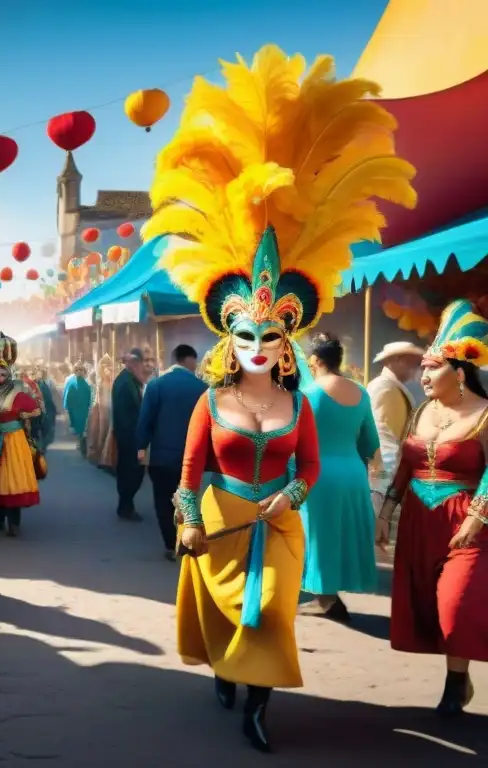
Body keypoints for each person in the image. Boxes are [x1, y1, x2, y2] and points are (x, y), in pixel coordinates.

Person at [150, 44, 414, 753]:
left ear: (288, 339)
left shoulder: (299, 407)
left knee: (273, 618)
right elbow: (188, 472)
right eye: (244, 335)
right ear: (226, 340)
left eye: (269, 335)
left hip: (281, 523)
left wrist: (290, 499)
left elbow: (307, 467)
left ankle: (258, 707)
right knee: (228, 621)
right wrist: (187, 518)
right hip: (222, 520)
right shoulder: (209, 402)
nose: (257, 346)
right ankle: (229, 677)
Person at [376, 299, 488, 717]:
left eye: (432, 367)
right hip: (420, 523)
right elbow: (405, 466)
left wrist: (477, 517)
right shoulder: (422, 411)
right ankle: (457, 680)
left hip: (467, 523)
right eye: (421, 367)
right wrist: (386, 515)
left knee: (456, 609)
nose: (422, 375)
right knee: (429, 608)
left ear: (459, 372)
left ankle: (455, 683)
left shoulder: (485, 415)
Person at [297, 334, 380, 620]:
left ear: (316, 360)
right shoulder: (361, 392)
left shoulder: (307, 394)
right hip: (353, 472)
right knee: (343, 533)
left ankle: (325, 599)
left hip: (318, 473)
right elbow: (370, 440)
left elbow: (295, 440)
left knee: (319, 535)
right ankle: (330, 596)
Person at [136, 344, 207, 558]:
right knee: (189, 497)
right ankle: (187, 537)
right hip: (192, 457)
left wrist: (141, 447)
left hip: (161, 456)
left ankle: (170, 543)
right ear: (190, 360)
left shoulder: (156, 385)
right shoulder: (202, 388)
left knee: (162, 500)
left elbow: (145, 419)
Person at [0, 333, 42, 537]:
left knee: (12, 482)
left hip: (13, 442)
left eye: (2, 374)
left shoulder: (20, 391)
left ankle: (14, 523)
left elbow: (38, 409)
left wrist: (25, 414)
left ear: (9, 374)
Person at [367, 341, 425, 510]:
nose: (416, 369)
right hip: (382, 480)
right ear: (399, 359)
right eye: (413, 363)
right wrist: (386, 482)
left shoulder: (391, 387)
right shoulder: (384, 388)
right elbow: (384, 440)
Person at [112, 349, 148, 520]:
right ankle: (125, 506)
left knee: (131, 472)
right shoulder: (125, 382)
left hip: (128, 435)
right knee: (131, 473)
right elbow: (128, 414)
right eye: (140, 364)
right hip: (129, 437)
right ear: (133, 363)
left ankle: (126, 505)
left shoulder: (129, 380)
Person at [85, 355, 113, 466]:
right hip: (102, 410)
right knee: (100, 430)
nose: (108, 371)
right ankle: (99, 455)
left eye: (109, 368)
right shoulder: (100, 385)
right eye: (105, 367)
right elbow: (98, 399)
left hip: (110, 409)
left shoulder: (114, 382)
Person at [62, 362, 91, 454]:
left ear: (84, 371)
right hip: (73, 409)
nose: (79, 372)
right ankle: (79, 440)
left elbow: (89, 395)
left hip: (83, 409)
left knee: (83, 425)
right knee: (76, 424)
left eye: (81, 370)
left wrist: (89, 406)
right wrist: (66, 407)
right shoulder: (71, 382)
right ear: (75, 371)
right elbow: (66, 395)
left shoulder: (86, 384)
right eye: (77, 370)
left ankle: (81, 441)